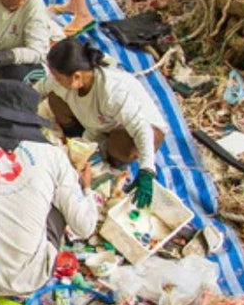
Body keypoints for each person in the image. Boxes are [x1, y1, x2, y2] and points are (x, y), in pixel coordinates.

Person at [0, 81, 97, 299]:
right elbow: (85, 227)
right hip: (31, 279)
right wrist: (85, 187)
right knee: (56, 195)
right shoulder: (54, 157)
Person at [37, 37, 167, 209]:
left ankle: (115, 160)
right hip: (99, 123)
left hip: (140, 129)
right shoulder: (64, 81)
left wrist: (147, 171)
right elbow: (40, 89)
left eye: (58, 77)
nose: (54, 80)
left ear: (76, 77)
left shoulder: (111, 91)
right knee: (54, 98)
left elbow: (141, 128)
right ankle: (79, 141)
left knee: (123, 144)